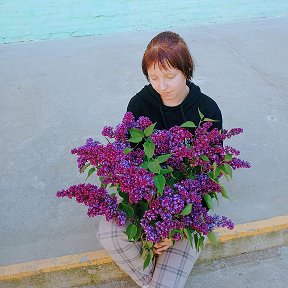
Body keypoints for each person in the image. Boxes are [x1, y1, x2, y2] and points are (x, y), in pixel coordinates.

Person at [97, 31, 222, 288]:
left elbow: (211, 173)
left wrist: (175, 226)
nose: (161, 86)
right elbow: (127, 160)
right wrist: (148, 227)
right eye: (153, 77)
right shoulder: (140, 103)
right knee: (108, 233)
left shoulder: (207, 111)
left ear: (186, 71)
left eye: (169, 76)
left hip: (187, 204)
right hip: (144, 197)